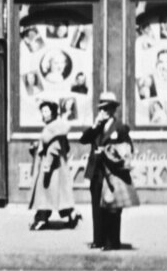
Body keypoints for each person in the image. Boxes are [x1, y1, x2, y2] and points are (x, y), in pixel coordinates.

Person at [80, 92, 137, 250]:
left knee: (112, 208)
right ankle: (98, 239)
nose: (102, 112)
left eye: (106, 109)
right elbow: (83, 139)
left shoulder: (119, 127)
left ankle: (112, 241)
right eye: (101, 109)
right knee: (97, 207)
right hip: (96, 172)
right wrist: (94, 125)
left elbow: (127, 148)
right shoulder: (97, 127)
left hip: (112, 173)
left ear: (113, 110)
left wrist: (108, 150)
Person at [27, 100, 79, 230]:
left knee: (45, 193)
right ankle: (71, 215)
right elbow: (65, 147)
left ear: (53, 112)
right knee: (60, 194)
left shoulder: (52, 128)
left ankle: (41, 219)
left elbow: (53, 148)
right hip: (58, 166)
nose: (43, 114)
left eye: (46, 111)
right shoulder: (57, 127)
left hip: (50, 166)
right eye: (42, 111)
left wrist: (47, 165)